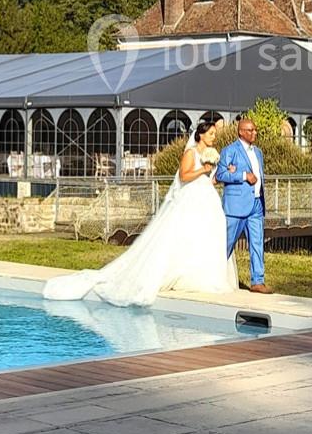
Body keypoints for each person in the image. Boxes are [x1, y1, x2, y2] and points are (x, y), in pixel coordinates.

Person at [42, 122, 236, 306]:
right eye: (211, 133)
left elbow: (208, 179)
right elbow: (184, 176)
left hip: (206, 196)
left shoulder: (211, 154)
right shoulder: (190, 153)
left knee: (204, 234)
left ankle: (201, 273)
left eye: (214, 134)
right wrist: (203, 169)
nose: (214, 137)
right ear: (200, 135)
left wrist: (220, 173)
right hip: (190, 198)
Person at [216, 117, 270, 293]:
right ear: (241, 132)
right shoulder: (230, 151)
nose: (254, 133)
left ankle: (258, 281)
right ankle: (213, 276)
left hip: (256, 204)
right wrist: (243, 175)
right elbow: (220, 174)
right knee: (227, 243)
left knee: (257, 243)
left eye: (255, 130)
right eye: (250, 130)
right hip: (236, 206)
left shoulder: (258, 152)